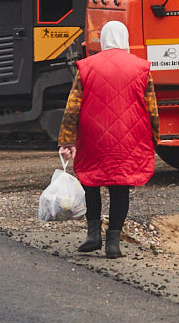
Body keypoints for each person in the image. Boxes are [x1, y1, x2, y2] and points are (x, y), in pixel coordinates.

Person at [57, 20, 159, 258]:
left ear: (103, 39)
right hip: (129, 136)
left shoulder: (87, 66)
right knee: (120, 186)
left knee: (91, 181)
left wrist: (67, 140)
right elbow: (151, 107)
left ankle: (93, 234)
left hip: (93, 134)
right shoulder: (141, 67)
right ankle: (113, 242)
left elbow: (73, 107)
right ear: (125, 38)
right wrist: (154, 138)